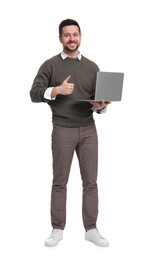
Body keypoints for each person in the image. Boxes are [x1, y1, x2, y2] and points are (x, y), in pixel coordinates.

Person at [30, 19, 111, 247]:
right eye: (67, 35)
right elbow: (34, 93)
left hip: (88, 130)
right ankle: (57, 229)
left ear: (81, 37)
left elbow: (99, 102)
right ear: (60, 38)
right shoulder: (50, 65)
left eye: (75, 34)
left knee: (91, 182)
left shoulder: (93, 67)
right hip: (62, 129)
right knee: (60, 182)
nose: (72, 39)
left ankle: (91, 229)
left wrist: (101, 106)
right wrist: (56, 90)